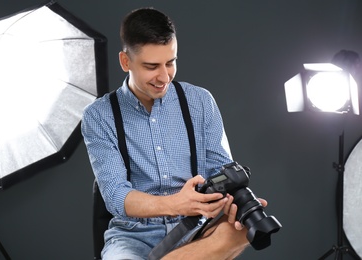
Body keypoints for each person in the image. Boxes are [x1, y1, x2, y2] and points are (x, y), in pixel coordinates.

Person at [81, 7, 267, 260]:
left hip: (200, 228)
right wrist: (175, 204)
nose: (164, 76)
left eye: (170, 62)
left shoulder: (200, 101)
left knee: (238, 231)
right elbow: (116, 196)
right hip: (134, 235)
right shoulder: (99, 115)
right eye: (151, 66)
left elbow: (222, 171)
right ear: (126, 62)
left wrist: (235, 204)